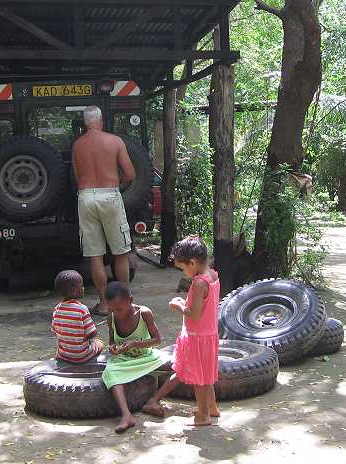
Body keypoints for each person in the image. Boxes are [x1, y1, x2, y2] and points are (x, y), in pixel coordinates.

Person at [141, 235, 220, 426]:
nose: (183, 273)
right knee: (206, 375)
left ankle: (202, 416)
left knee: (198, 379)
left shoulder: (199, 283)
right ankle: (212, 408)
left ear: (192, 263)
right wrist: (187, 303)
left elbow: (193, 315)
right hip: (209, 334)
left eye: (183, 268)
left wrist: (179, 306)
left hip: (197, 337)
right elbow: (204, 307)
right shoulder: (213, 275)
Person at [72, 106, 135, 316]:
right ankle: (124, 302)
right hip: (110, 194)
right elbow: (130, 174)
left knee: (95, 255)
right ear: (101, 119)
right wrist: (119, 186)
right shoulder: (114, 141)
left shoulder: (77, 145)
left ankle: (104, 304)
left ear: (85, 122)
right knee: (120, 252)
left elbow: (76, 175)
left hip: (86, 196)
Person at [102, 281, 168, 433]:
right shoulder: (111, 318)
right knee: (110, 374)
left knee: (181, 368)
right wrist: (112, 347)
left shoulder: (144, 313)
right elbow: (112, 339)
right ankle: (126, 415)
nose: (117, 313)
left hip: (146, 357)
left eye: (120, 308)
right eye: (113, 309)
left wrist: (134, 344)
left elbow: (157, 340)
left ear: (131, 300)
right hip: (124, 360)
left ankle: (153, 401)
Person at [51, 270, 104, 363]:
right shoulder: (82, 309)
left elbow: (55, 330)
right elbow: (92, 333)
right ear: (75, 291)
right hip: (82, 356)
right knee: (99, 343)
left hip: (63, 355)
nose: (83, 288)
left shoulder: (57, 309)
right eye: (82, 286)